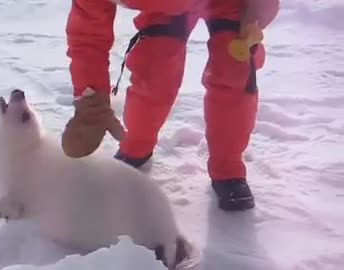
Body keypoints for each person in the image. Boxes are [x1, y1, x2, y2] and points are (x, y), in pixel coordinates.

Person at [61, 0, 280, 211]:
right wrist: (91, 100)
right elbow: (88, 38)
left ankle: (228, 167)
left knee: (234, 70)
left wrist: (258, 10)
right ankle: (136, 145)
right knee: (154, 67)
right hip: (166, 6)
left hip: (230, 4)